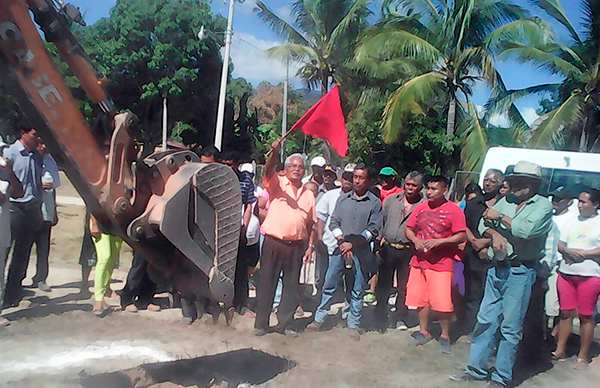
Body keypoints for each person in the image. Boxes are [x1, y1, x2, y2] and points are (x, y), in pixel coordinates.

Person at [451, 161, 553, 387]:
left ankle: (501, 377)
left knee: (510, 326)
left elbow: (525, 230)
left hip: (521, 271)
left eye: (520, 181)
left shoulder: (543, 206)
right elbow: (482, 223)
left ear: (532, 184)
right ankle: (475, 369)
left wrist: (498, 219)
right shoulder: (507, 201)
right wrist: (494, 235)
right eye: (514, 180)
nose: (514, 185)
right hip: (496, 268)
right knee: (485, 320)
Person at [307, 163, 382, 341]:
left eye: (361, 177)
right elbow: (334, 222)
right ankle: (319, 318)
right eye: (355, 177)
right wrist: (342, 241)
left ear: (368, 180)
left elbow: (373, 229)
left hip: (361, 252)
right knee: (329, 284)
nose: (357, 181)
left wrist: (353, 244)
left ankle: (353, 323)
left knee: (357, 289)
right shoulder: (343, 199)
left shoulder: (375, 203)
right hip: (339, 250)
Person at [254, 141, 316, 338]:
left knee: (291, 286)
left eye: (300, 167)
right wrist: (274, 151)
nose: (297, 169)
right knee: (267, 283)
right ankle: (261, 324)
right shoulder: (278, 184)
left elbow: (310, 223)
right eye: (293, 166)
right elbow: (269, 168)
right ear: (287, 169)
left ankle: (285, 323)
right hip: (273, 242)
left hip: (296, 246)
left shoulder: (308, 194)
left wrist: (310, 246)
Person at [405, 175, 467, 353]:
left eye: (434, 189)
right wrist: (415, 240)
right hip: (420, 261)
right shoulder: (421, 208)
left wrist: (440, 242)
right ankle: (424, 331)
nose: (429, 192)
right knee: (420, 299)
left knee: (442, 302)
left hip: (442, 263)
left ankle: (445, 335)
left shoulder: (454, 211)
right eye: (428, 188)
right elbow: (408, 229)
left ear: (444, 191)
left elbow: (461, 235)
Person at [552, 188, 600, 371]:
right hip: (567, 272)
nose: (580, 205)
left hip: (590, 274)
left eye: (584, 202)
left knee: (586, 315)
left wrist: (584, 254)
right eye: (579, 201)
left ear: (595, 204)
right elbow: (561, 242)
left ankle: (583, 355)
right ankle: (560, 349)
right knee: (565, 312)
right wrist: (566, 251)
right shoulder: (573, 220)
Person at [375, 171, 425, 333]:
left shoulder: (424, 205)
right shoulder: (391, 200)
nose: (410, 188)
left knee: (404, 286)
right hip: (388, 248)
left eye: (414, 185)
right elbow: (382, 222)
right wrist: (379, 241)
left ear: (420, 187)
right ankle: (380, 315)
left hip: (408, 251)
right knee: (384, 284)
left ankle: (400, 317)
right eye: (408, 184)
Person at [459, 169, 504, 336]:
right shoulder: (475, 202)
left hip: (496, 256)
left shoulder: (506, 204)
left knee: (491, 294)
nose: (487, 183)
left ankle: (490, 329)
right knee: (472, 292)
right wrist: (475, 243)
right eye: (486, 179)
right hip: (473, 255)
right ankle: (470, 326)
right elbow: (464, 225)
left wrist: (485, 244)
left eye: (492, 181)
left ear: (500, 184)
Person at [2, 125, 43, 308]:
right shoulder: (10, 154)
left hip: (31, 208)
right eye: (34, 135)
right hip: (14, 208)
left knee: (23, 253)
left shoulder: (36, 156)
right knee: (5, 250)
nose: (37, 139)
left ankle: (13, 292)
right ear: (23, 133)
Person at [314, 164, 355, 297]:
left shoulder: (360, 198)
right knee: (322, 278)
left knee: (349, 280)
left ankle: (346, 306)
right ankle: (320, 305)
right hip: (327, 245)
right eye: (346, 177)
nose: (348, 180)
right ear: (341, 178)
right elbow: (320, 218)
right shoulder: (330, 195)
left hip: (350, 247)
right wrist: (319, 239)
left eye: (351, 177)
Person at [546, 186, 577, 337]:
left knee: (555, 305)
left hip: (559, 265)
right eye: (554, 198)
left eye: (559, 199)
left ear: (569, 202)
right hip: (543, 262)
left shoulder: (572, 220)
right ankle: (541, 334)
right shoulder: (547, 215)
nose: (555, 201)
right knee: (541, 302)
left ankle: (554, 335)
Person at [0, 136, 24, 326]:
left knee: (0, 269)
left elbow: (18, 192)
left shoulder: (5, 173)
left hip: (2, 228)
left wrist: (9, 171)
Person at [31, 141, 61, 292]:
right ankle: (16, 281)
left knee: (43, 248)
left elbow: (54, 186)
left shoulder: (50, 160)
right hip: (29, 211)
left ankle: (41, 278)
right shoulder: (29, 158)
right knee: (23, 248)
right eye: (40, 143)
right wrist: (38, 184)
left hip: (46, 211)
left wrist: (54, 211)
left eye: (45, 143)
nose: (43, 146)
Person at [90, 213, 123, 315]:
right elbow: (92, 202)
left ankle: (104, 290)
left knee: (113, 260)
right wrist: (94, 223)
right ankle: (98, 300)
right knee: (105, 257)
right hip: (101, 223)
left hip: (117, 224)